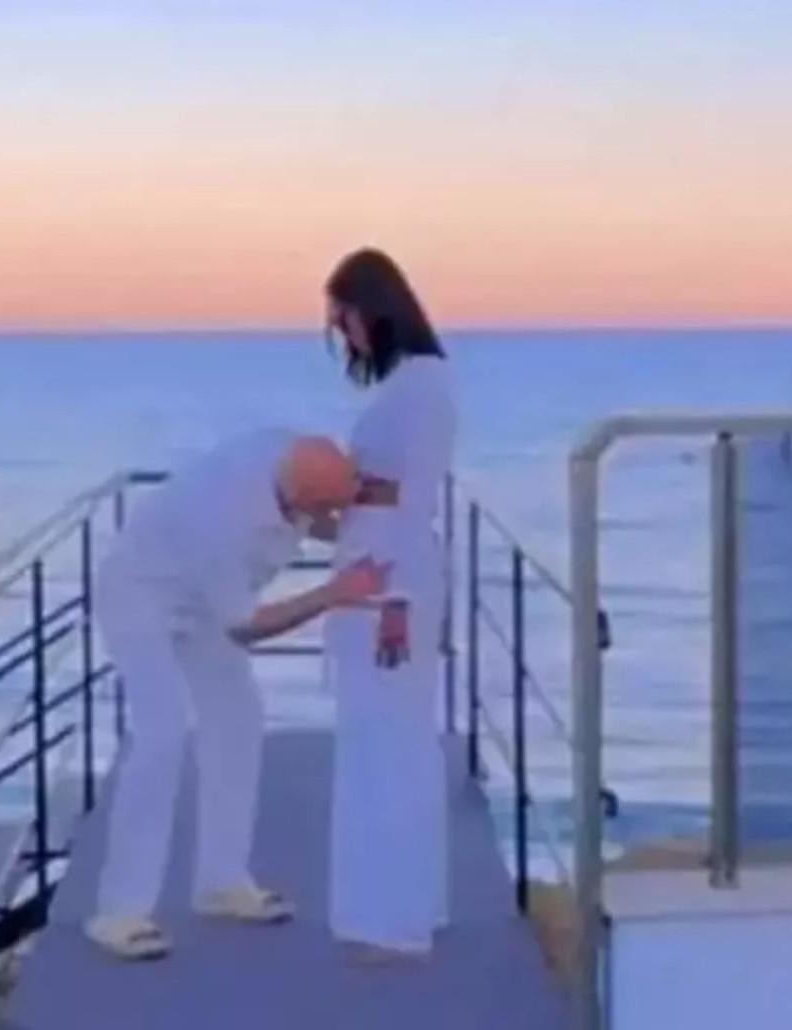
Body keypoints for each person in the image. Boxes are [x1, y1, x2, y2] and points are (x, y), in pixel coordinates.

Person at [85, 430, 388, 960]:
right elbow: (246, 627)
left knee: (239, 720)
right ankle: (119, 912)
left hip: (201, 600)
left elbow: (313, 516)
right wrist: (335, 593)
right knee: (162, 734)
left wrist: (376, 530)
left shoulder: (287, 454)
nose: (330, 518)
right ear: (300, 496)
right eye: (326, 509)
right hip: (140, 597)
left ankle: (222, 882)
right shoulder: (223, 521)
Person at [323, 248, 457, 961]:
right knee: (380, 740)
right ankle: (395, 903)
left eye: (344, 317)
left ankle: (395, 915)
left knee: (391, 743)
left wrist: (397, 599)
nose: (342, 334)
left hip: (388, 582)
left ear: (372, 309)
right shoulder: (406, 383)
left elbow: (417, 495)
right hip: (370, 572)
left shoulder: (424, 385)